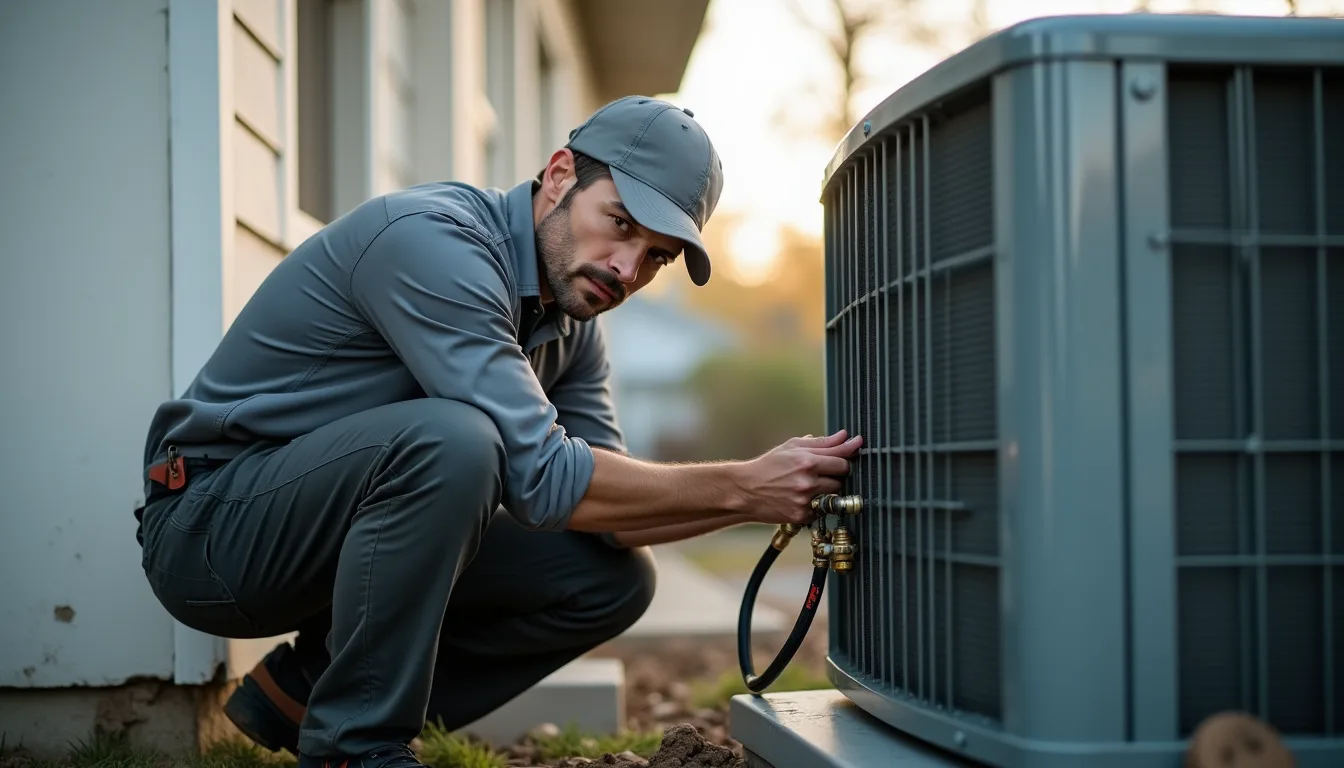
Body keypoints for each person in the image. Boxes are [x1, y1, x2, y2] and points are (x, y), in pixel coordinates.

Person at [134, 95, 862, 768]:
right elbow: (548, 482)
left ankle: (304, 693)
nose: (627, 268)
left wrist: (762, 491)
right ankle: (358, 747)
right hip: (210, 524)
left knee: (609, 580)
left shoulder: (571, 328)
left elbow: (608, 520)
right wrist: (743, 486)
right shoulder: (433, 243)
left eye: (657, 257)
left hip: (323, 535)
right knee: (455, 441)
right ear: (558, 174)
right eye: (621, 224)